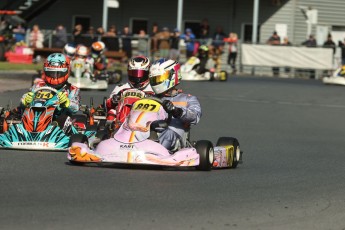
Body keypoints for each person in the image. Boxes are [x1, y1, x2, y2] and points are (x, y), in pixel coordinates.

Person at [148, 58, 202, 152]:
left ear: (172, 76)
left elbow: (195, 116)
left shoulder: (187, 99)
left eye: (159, 79)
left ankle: (153, 152)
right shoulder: (149, 98)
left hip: (175, 138)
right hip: (149, 132)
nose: (156, 82)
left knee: (166, 133)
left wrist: (176, 111)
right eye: (154, 79)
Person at [20, 53, 80, 134]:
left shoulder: (72, 89)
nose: (55, 77)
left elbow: (75, 107)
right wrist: (25, 100)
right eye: (51, 73)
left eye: (58, 73)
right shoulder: (38, 85)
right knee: (19, 113)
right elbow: (25, 97)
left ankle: (53, 130)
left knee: (64, 119)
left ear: (67, 71)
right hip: (34, 117)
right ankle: (24, 130)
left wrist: (67, 102)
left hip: (57, 119)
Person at [106, 56, 154, 121]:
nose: (137, 78)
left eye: (141, 74)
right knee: (112, 112)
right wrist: (113, 100)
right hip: (122, 118)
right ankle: (114, 129)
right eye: (134, 73)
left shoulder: (153, 89)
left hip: (144, 118)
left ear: (148, 73)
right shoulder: (121, 87)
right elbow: (108, 104)